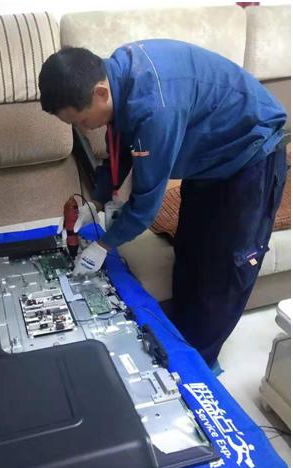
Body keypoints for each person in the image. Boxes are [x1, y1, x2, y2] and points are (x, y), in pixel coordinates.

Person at [38, 40, 287, 370]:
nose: (85, 128)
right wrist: (95, 202)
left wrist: (102, 245)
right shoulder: (116, 77)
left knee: (224, 269)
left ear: (99, 92)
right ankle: (179, 338)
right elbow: (120, 150)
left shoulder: (154, 108)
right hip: (207, 161)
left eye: (82, 120)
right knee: (191, 249)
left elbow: (144, 207)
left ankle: (197, 367)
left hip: (249, 158)